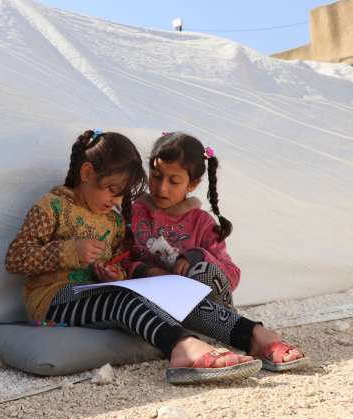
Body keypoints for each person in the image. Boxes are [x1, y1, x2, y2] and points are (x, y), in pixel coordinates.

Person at [5, 130, 263, 384]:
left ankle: (249, 334)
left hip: (95, 296)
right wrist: (70, 250)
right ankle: (182, 349)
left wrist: (112, 274)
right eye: (111, 190)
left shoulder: (113, 221)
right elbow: (16, 259)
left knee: (168, 295)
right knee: (123, 298)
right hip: (53, 299)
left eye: (121, 194)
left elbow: (119, 264)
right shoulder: (52, 207)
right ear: (86, 173)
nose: (115, 200)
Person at [122, 131, 309, 372]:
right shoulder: (133, 214)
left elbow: (231, 275)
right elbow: (121, 260)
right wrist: (147, 271)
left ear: (192, 184)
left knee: (204, 270)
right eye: (156, 176)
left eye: (174, 181)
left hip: (204, 304)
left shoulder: (201, 222)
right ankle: (248, 336)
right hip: (159, 308)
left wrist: (197, 256)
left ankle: (222, 337)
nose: (162, 188)